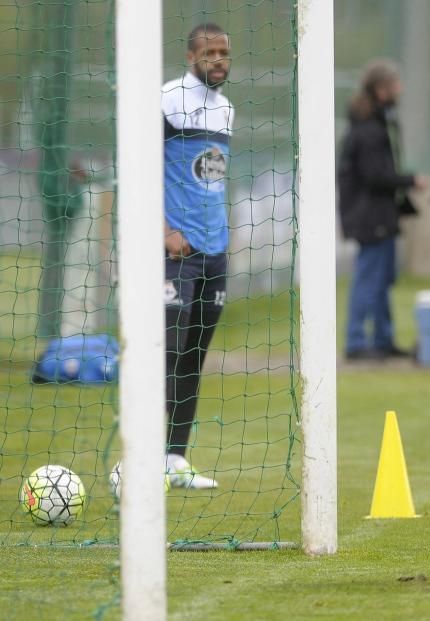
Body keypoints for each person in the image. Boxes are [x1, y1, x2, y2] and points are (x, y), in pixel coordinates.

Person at [160, 23, 235, 489]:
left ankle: (175, 458)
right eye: (209, 53)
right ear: (191, 57)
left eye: (224, 53)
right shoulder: (167, 99)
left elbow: (212, 177)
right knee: (164, 350)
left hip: (214, 252)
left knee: (193, 355)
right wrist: (162, 231)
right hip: (174, 252)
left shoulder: (226, 110)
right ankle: (140, 457)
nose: (219, 60)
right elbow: (140, 168)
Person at [337, 59, 426, 361]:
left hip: (381, 215)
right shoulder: (369, 131)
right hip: (369, 215)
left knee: (383, 278)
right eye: (395, 84)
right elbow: (375, 175)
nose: (400, 89)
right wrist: (410, 181)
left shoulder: (378, 124)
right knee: (369, 277)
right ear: (381, 89)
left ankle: (383, 339)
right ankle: (356, 342)